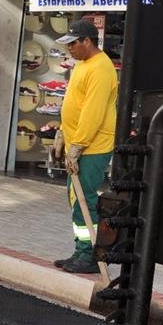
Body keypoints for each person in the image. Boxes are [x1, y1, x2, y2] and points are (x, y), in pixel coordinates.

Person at [51, 19, 118, 274]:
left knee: (84, 200)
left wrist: (77, 145)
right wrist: (62, 132)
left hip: (93, 146)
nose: (70, 48)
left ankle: (90, 256)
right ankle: (81, 251)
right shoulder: (83, 64)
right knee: (75, 199)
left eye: (73, 43)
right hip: (79, 143)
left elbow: (93, 112)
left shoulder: (100, 68)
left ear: (87, 41)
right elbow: (75, 104)